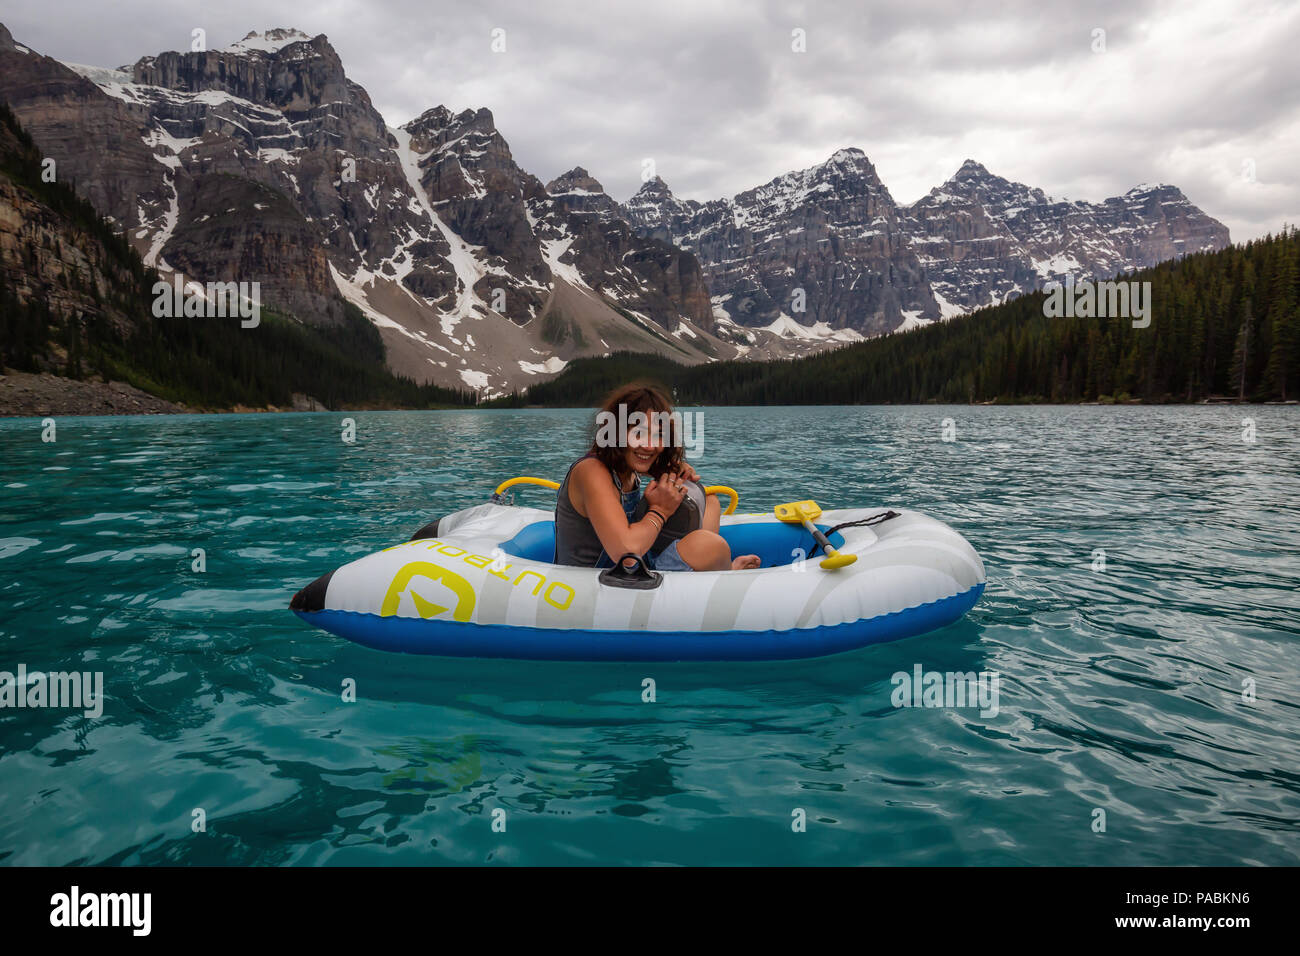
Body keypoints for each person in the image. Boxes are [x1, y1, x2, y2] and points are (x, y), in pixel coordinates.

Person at [553, 382, 761, 571]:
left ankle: (717, 570)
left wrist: (674, 473)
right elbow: (626, 554)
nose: (649, 445)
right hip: (603, 579)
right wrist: (660, 510)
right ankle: (724, 573)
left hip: (638, 566)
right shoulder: (591, 471)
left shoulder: (626, 464)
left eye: (659, 435)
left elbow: (656, 463)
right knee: (711, 546)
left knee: (709, 500)